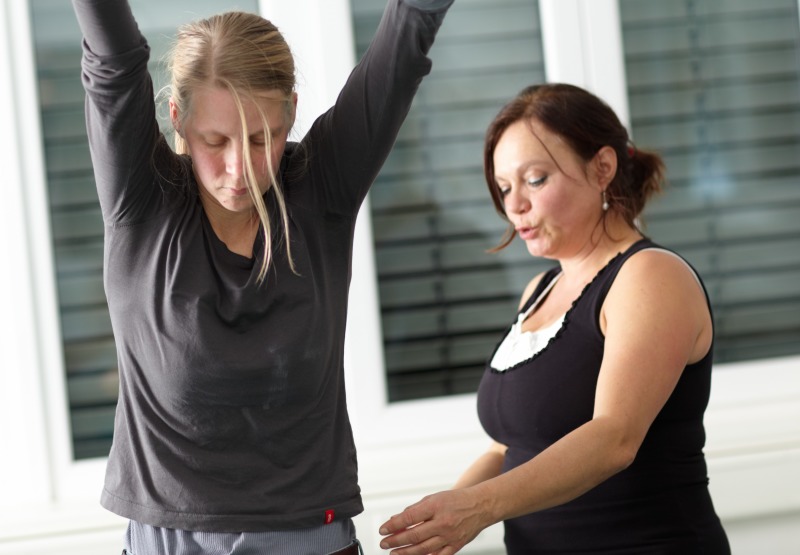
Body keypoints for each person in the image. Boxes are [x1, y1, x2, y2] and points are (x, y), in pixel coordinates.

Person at [70, 0, 454, 553]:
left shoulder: (320, 189)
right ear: (177, 117)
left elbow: (407, 35)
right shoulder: (142, 201)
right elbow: (113, 57)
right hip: (171, 539)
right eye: (216, 142)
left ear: (292, 113)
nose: (241, 169)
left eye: (261, 139)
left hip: (310, 537)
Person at [378, 83, 731, 554]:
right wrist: (434, 524)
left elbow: (614, 437)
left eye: (535, 179)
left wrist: (478, 508)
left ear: (602, 168)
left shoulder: (649, 275)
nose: (515, 205)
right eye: (504, 187)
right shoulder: (539, 291)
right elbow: (510, 447)